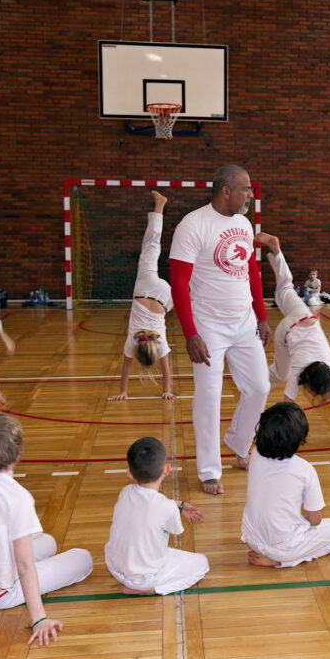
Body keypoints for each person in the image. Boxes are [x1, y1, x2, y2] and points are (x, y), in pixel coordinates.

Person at [169, 164, 272, 495]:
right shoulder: (193, 225)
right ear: (226, 190)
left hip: (244, 322)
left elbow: (252, 273)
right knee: (209, 398)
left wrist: (262, 316)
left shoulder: (243, 222)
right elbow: (178, 283)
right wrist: (190, 332)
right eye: (245, 189)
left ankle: (240, 445)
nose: (250, 195)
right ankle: (209, 471)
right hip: (208, 325)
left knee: (259, 387)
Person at [0, 415, 93, 647]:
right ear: (18, 451)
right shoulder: (17, 498)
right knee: (83, 558)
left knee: (48, 542)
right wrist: (39, 619)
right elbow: (25, 566)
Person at [254, 232, 330, 445]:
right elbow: (287, 405)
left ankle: (276, 250)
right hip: (287, 331)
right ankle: (255, 384)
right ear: (309, 382)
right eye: (312, 391)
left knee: (285, 288)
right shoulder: (297, 373)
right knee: (279, 374)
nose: (310, 393)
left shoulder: (329, 370)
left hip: (306, 317)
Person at [241, 402, 330, 568]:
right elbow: (315, 520)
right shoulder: (305, 469)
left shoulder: (255, 455)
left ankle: (278, 556)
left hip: (252, 540)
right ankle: (283, 561)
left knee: (290, 525)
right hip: (284, 548)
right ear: (299, 438)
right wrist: (300, 521)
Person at [105, 437, 208, 594]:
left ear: (129, 473)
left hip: (115, 568)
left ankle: (136, 583)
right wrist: (175, 507)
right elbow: (176, 530)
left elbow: (148, 507)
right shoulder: (165, 507)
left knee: (149, 545)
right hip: (144, 577)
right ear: (167, 470)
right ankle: (150, 589)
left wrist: (177, 505)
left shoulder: (125, 492)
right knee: (202, 563)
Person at [109, 191, 176, 401]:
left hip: (166, 299)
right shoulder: (132, 341)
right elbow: (126, 368)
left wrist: (166, 390)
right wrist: (123, 391)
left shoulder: (159, 343)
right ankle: (160, 205)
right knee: (151, 243)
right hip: (145, 289)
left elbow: (166, 369)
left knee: (193, 291)